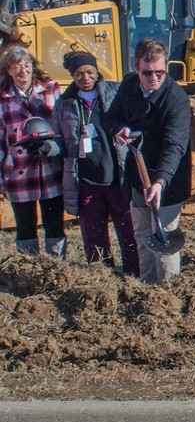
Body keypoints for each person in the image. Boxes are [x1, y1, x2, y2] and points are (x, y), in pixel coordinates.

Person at [106, 38, 192, 284]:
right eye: (148, 73)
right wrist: (119, 128)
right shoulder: (129, 86)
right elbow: (110, 117)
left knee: (163, 237)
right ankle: (147, 288)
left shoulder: (175, 99)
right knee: (143, 236)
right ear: (136, 67)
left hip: (168, 180)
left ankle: (168, 294)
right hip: (137, 176)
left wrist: (160, 181)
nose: (154, 78)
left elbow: (175, 146)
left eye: (160, 72)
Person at [52, 51, 139, 274]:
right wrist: (49, 148)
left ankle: (134, 274)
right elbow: (60, 141)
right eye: (79, 74)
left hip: (117, 177)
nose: (86, 78)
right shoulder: (64, 104)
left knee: (129, 232)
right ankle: (103, 277)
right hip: (87, 180)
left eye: (90, 72)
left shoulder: (115, 92)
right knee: (94, 236)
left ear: (97, 71)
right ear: (72, 76)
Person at [0, 46, 65, 256]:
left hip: (50, 170)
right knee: (25, 227)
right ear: (8, 70)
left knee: (54, 224)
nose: (23, 71)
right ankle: (29, 271)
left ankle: (57, 269)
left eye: (26, 65)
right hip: (18, 173)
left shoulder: (51, 89)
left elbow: (65, 128)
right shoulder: (2, 99)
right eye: (17, 67)